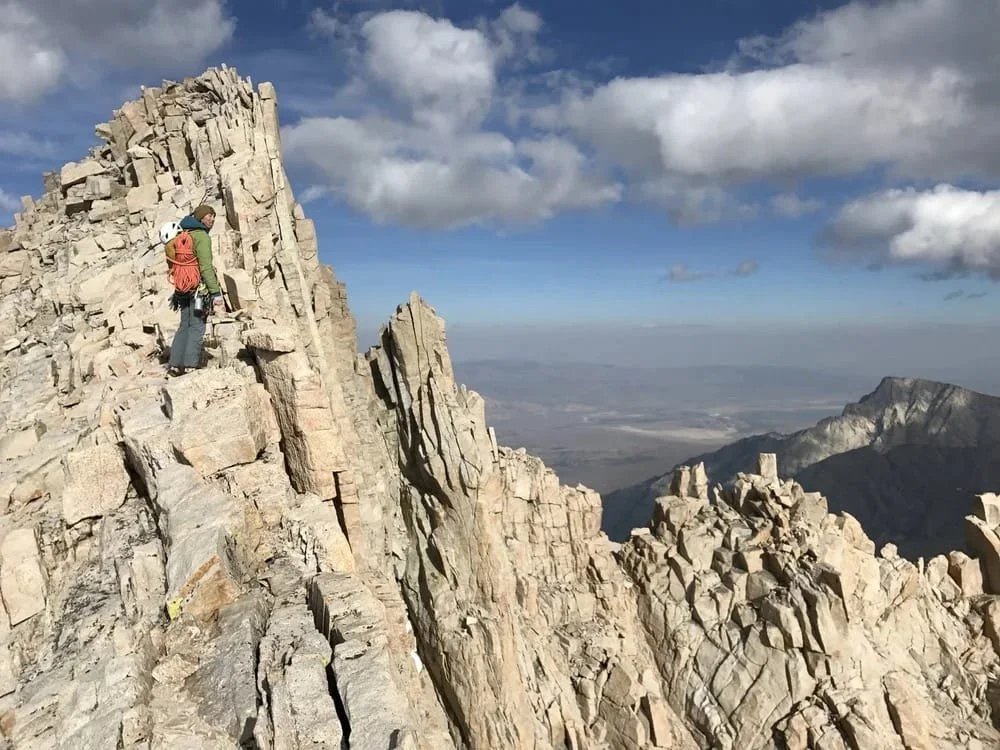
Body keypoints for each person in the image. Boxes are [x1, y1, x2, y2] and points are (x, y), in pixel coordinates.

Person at [167, 205, 224, 375]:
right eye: (208, 216)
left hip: (182, 289)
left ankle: (175, 364)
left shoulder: (183, 235)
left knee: (185, 324)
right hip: (199, 291)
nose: (212, 220)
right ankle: (191, 364)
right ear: (200, 218)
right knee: (197, 326)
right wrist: (215, 293)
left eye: (214, 217)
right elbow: (205, 267)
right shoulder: (202, 237)